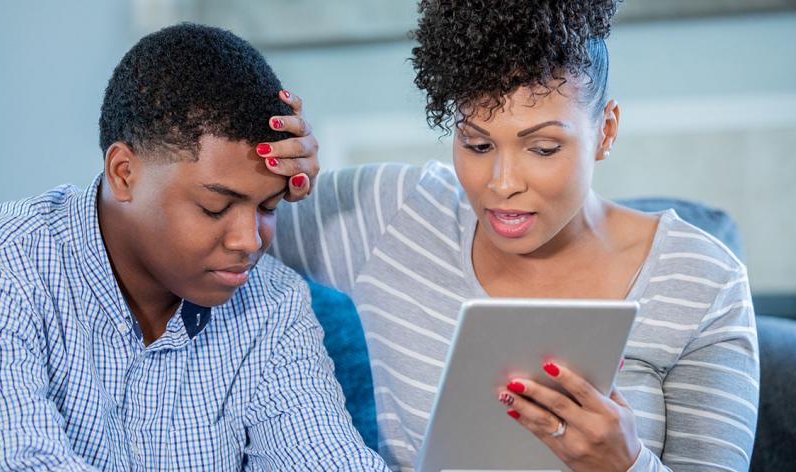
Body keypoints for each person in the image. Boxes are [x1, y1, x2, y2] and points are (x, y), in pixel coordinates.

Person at [259, 1, 759, 470]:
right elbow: (207, 233)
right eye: (476, 144)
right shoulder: (395, 213)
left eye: (542, 148)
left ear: (605, 132)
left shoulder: (701, 279)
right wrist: (276, 171)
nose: (501, 184)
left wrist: (627, 465)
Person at [0, 23, 387, 471]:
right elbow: (19, 462)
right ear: (123, 173)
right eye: (215, 207)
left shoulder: (274, 303)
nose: (249, 241)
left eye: (268, 207)